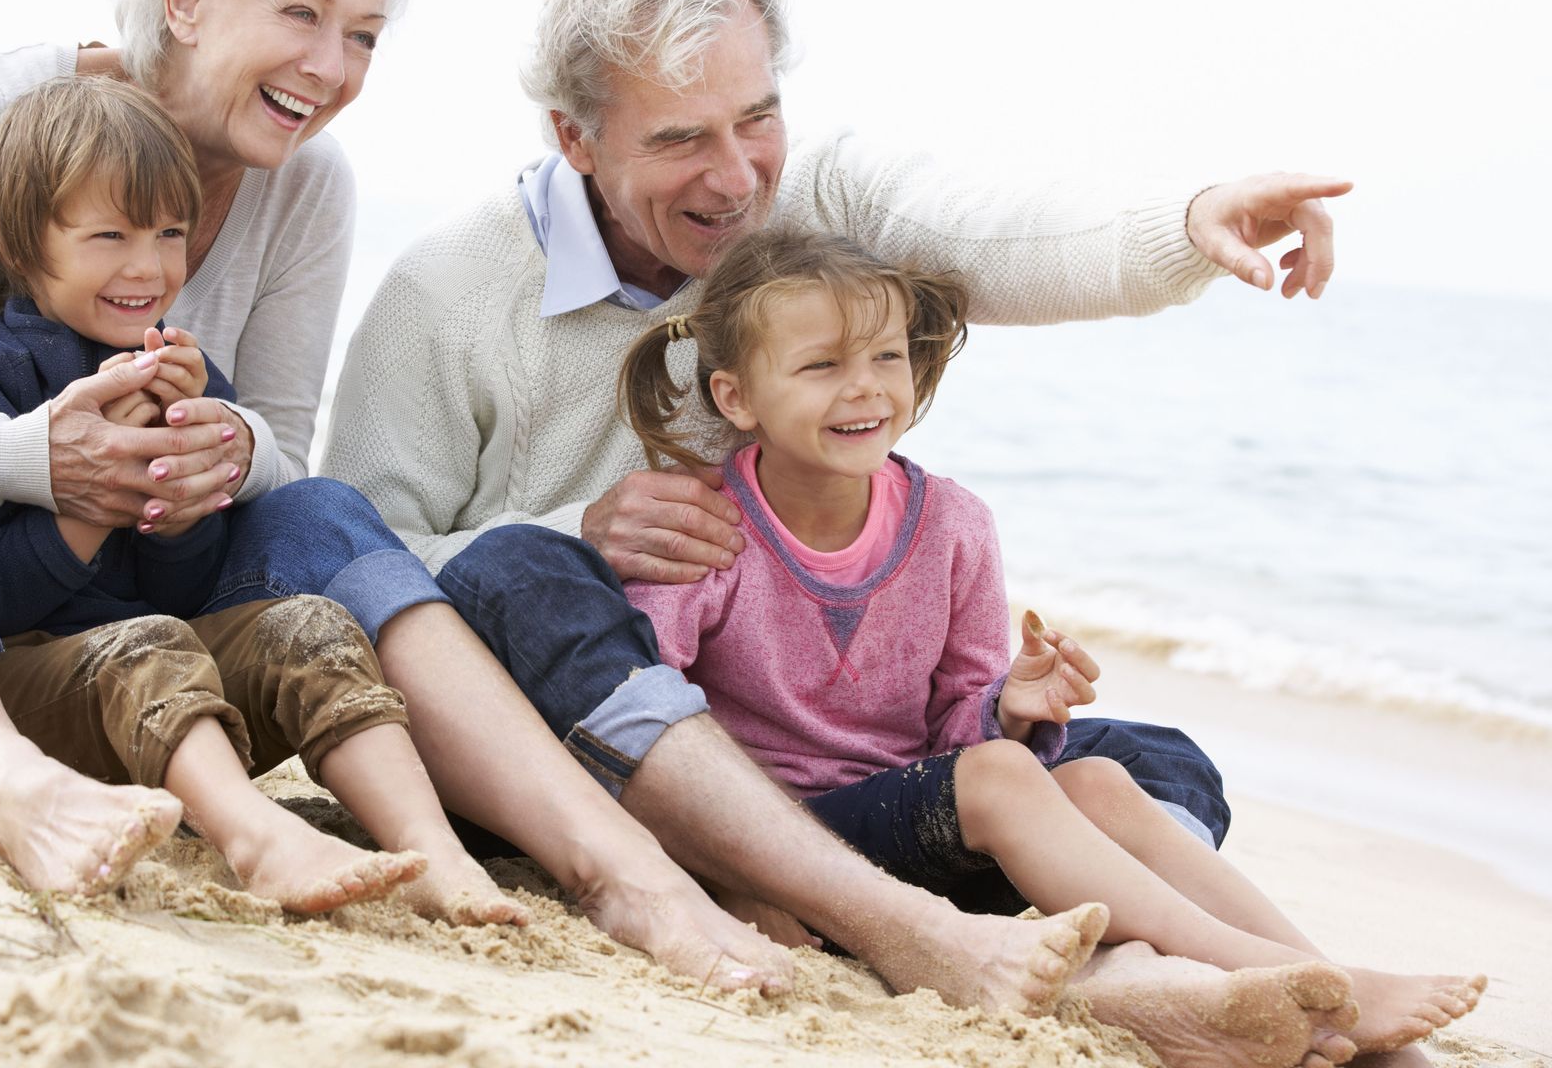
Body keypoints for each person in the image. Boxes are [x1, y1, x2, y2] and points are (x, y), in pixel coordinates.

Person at [0, 0, 830, 991]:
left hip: (138, 625)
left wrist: (228, 445)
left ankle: (619, 868)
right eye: (303, 13)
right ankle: (11, 788)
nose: (334, 64)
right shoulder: (18, 108)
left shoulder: (307, 183)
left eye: (362, 33)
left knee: (317, 507)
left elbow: (283, 450)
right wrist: (28, 457)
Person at [322, 0, 1421, 1061]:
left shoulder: (816, 214)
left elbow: (995, 234)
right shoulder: (449, 290)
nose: (738, 176)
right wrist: (577, 528)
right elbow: (359, 564)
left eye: (759, 118)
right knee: (522, 567)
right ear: (576, 136)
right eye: (681, 138)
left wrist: (1186, 226)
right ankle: (967, 934)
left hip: (835, 774)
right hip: (589, 745)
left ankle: (1128, 959)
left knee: (1144, 765)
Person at [614, 225, 1483, 1060]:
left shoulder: (952, 525)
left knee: (1096, 778)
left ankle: (1321, 983)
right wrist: (732, 879)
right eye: (821, 365)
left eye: (887, 356)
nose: (867, 387)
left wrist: (1009, 708)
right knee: (1003, 776)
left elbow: (959, 733)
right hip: (784, 845)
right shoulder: (697, 528)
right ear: (736, 396)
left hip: (918, 841)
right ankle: (1287, 975)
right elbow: (659, 733)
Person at [0, 72, 540, 920]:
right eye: (110, 235)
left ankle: (432, 851)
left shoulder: (184, 372)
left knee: (312, 625)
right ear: (25, 249)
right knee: (146, 642)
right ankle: (253, 838)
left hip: (180, 710)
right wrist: (94, 505)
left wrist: (183, 502)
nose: (149, 265)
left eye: (171, 232)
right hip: (39, 689)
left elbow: (182, 585)